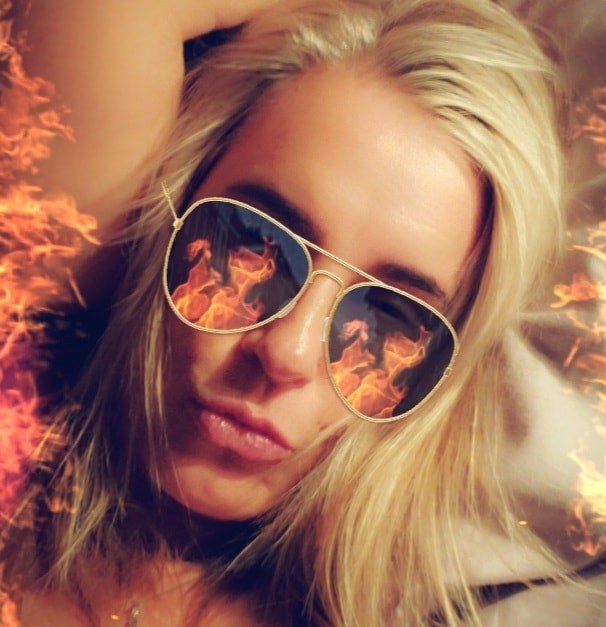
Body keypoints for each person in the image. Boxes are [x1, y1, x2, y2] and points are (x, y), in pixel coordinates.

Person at [1, 0, 604, 624]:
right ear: (179, 194)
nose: (285, 352)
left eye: (388, 319)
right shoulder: (28, 343)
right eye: (253, 243)